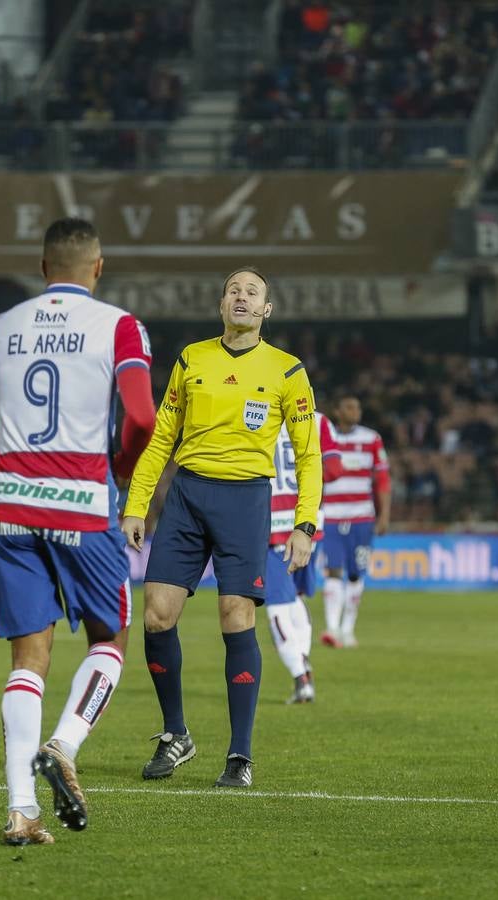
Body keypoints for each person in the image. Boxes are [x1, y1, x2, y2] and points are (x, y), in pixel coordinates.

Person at [0, 218, 156, 846]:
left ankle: (21, 811)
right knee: (110, 640)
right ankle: (65, 745)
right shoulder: (120, 326)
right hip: (82, 504)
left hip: (12, 506)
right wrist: (119, 470)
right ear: (98, 267)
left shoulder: (3, 326)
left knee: (27, 660)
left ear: (42, 268)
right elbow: (144, 417)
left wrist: (14, 437)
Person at [121, 266, 322, 789]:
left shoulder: (287, 370)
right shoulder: (192, 358)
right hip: (188, 496)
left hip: (245, 501)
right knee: (157, 617)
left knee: (236, 619)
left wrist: (306, 522)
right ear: (221, 304)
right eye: (234, 289)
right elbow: (163, 436)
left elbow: (308, 453)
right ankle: (175, 734)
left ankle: (240, 755)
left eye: (252, 292)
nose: (241, 296)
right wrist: (136, 504)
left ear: (265, 311)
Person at [265, 413, 341, 704]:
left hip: (271, 524)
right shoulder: (318, 420)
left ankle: (301, 678)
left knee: (276, 605)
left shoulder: (255, 412)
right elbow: (334, 468)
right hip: (309, 525)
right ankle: (303, 661)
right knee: (295, 597)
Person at [320, 394, 391, 649]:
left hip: (362, 517)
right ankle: (332, 628)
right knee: (333, 571)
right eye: (349, 407)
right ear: (337, 411)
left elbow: (382, 480)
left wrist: (384, 515)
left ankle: (348, 629)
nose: (355, 411)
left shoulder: (371, 439)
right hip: (330, 517)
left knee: (354, 575)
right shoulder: (325, 436)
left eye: (358, 406)